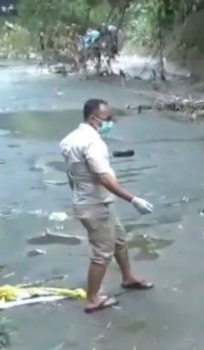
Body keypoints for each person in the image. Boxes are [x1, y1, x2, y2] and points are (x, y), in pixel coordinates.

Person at [60, 99, 155, 313]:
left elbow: (72, 173)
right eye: (107, 118)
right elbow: (104, 178)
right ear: (94, 118)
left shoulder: (69, 139)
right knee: (102, 253)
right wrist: (133, 199)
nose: (110, 122)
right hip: (95, 205)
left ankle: (128, 277)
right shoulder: (93, 143)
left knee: (119, 239)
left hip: (90, 201)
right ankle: (93, 298)